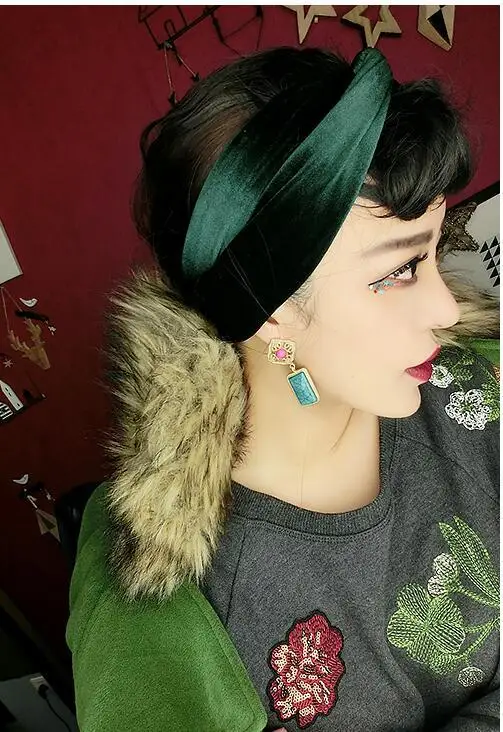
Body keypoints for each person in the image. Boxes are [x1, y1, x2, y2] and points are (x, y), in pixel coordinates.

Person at [66, 46, 499, 731]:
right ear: (268, 308)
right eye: (398, 272)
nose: (445, 308)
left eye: (432, 251)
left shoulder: (474, 391)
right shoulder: (184, 610)